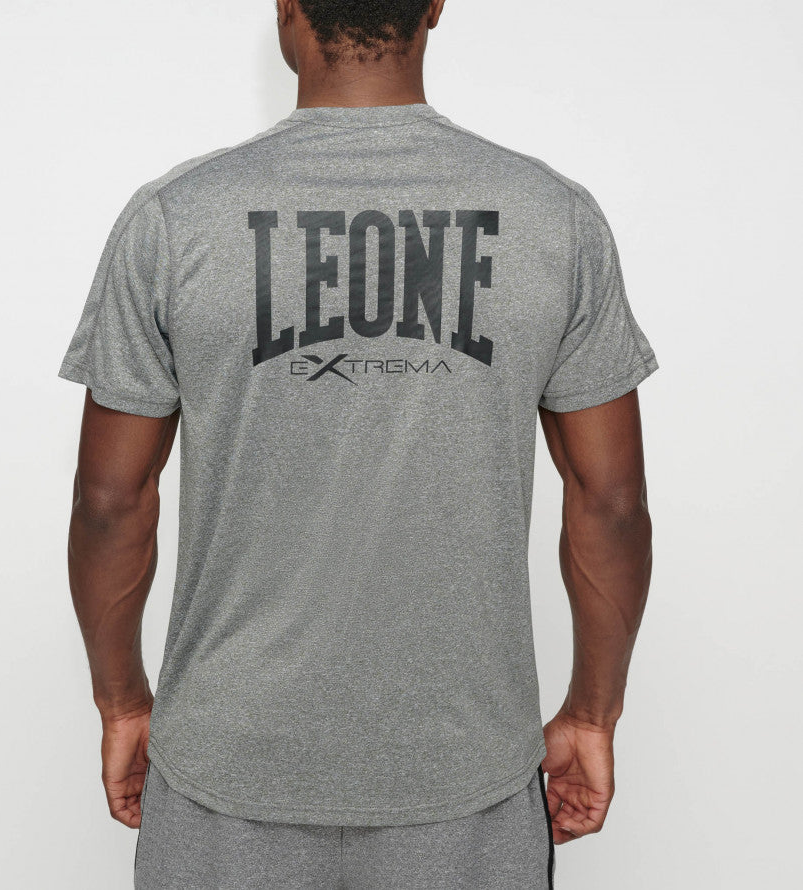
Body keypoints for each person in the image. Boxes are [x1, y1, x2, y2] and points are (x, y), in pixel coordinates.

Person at [58, 1, 658, 887]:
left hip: (228, 764)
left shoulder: (176, 219)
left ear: (286, 7)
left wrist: (121, 703)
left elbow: (111, 501)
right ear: (435, 5)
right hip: (465, 775)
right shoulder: (552, 218)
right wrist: (593, 715)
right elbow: (610, 502)